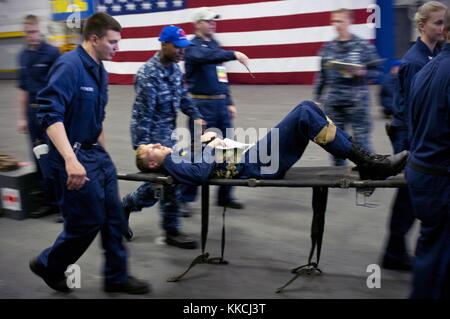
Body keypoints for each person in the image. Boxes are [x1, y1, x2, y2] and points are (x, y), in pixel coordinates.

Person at [29, 13, 149, 294]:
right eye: (112, 42)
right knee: (87, 222)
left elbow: (97, 118)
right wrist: (71, 159)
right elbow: (49, 115)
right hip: (72, 157)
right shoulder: (69, 66)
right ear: (94, 38)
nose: (117, 48)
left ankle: (117, 277)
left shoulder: (99, 69)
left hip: (96, 155)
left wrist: (105, 157)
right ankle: (49, 264)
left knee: (113, 218)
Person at [135, 101, 408, 189]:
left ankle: (368, 160)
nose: (158, 145)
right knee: (304, 112)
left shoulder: (177, 156)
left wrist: (209, 142)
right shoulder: (171, 163)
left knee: (308, 108)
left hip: (253, 156)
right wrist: (209, 145)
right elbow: (199, 173)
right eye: (153, 149)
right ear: (152, 163)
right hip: (255, 163)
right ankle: (369, 163)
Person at [122, 25, 202, 248]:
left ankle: (127, 206)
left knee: (165, 184)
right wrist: (144, 149)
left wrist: (197, 116)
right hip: (152, 140)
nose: (182, 52)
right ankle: (171, 230)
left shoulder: (175, 70)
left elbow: (183, 97)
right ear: (164, 44)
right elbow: (141, 114)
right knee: (165, 184)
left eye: (183, 48)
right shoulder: (148, 74)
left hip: (170, 136)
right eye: (178, 47)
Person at [382, 1, 447, 272]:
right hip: (409, 135)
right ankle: (394, 252)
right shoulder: (414, 61)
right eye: (438, 23)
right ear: (422, 26)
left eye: (444, 22)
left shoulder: (434, 54)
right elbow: (410, 111)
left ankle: (396, 250)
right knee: (409, 196)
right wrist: (413, 149)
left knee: (412, 196)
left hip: (418, 135)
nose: (443, 28)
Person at [178, 7, 250, 215]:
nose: (213, 24)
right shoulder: (192, 47)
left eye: (213, 21)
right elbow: (207, 57)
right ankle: (184, 197)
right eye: (208, 21)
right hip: (201, 107)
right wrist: (234, 54)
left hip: (220, 105)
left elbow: (221, 75)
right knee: (199, 153)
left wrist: (229, 100)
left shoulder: (215, 45)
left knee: (231, 149)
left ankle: (225, 196)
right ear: (198, 23)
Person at [405, 9, 450, 300]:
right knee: (441, 259)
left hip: (422, 170)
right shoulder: (420, 65)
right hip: (440, 179)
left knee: (429, 252)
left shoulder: (426, 69)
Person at [314, 8, 382, 166]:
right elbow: (322, 77)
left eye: (340, 21)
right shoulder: (328, 48)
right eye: (334, 21)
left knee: (362, 144)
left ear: (349, 22)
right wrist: (317, 99)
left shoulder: (362, 46)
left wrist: (363, 71)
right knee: (334, 144)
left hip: (357, 105)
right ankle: (340, 178)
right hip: (334, 104)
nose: (337, 24)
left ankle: (369, 176)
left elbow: (377, 72)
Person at [17, 15, 60, 218]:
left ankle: (63, 204)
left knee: (55, 156)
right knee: (38, 158)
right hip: (32, 114)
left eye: (34, 32)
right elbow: (23, 89)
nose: (31, 36)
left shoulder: (52, 53)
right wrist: (22, 117)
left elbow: (60, 84)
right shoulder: (23, 56)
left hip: (49, 112)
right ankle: (47, 202)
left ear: (39, 30)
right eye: (28, 33)